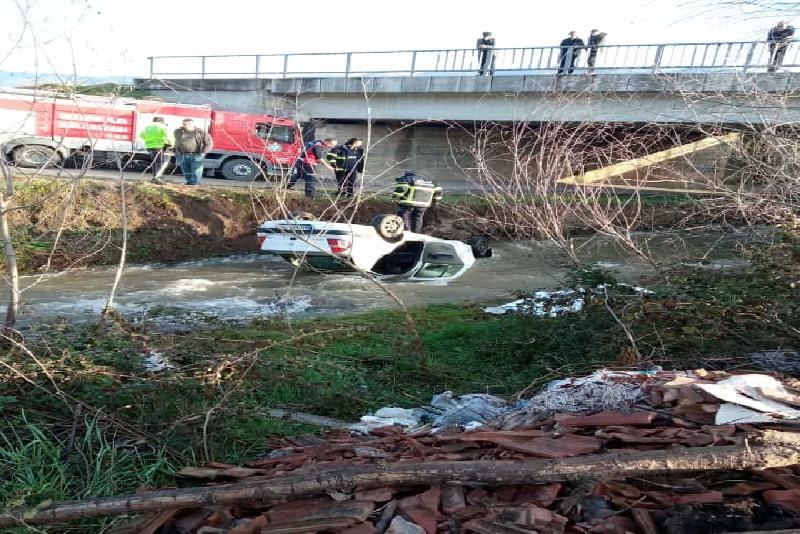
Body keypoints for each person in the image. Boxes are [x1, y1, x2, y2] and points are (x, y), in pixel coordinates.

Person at [173, 118, 212, 185]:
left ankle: (195, 183)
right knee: (185, 170)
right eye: (184, 124)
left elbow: (209, 143)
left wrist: (203, 153)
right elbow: (176, 141)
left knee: (196, 170)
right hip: (182, 154)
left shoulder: (200, 132)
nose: (186, 125)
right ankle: (189, 182)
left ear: (193, 124)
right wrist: (176, 150)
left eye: (188, 124)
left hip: (196, 154)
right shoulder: (178, 131)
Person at [139, 117, 173, 184]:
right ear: (162, 121)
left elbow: (141, 135)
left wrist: (150, 139)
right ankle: (157, 178)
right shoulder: (162, 126)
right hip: (159, 146)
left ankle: (155, 177)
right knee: (163, 162)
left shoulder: (148, 127)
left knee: (155, 163)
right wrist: (172, 144)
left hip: (150, 147)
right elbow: (168, 137)